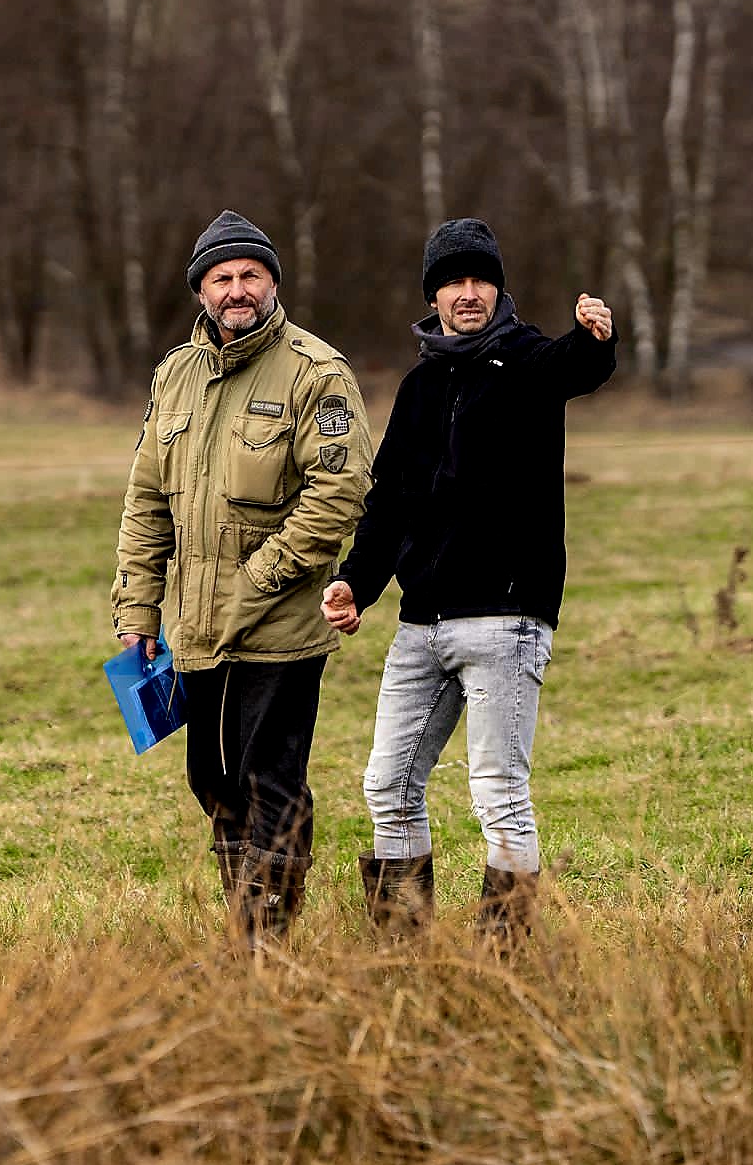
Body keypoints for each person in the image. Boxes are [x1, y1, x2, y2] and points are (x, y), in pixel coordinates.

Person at [321, 217, 614, 943]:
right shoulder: (421, 387)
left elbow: (577, 366)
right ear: (434, 296)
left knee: (499, 795)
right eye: (453, 281)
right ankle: (400, 951)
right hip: (422, 620)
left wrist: (597, 338)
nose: (468, 292)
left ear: (499, 288)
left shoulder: (531, 361)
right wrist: (356, 583)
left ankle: (505, 962)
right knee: (387, 786)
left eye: (480, 278)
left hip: (507, 617)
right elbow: (389, 501)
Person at [112, 209, 374, 948]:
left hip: (278, 627)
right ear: (200, 291)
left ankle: (270, 947)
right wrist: (139, 610)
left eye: (250, 275)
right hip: (196, 631)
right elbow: (145, 501)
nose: (237, 290)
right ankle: (246, 934)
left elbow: (341, 492)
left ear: (272, 284)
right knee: (213, 782)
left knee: (270, 785)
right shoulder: (176, 374)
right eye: (221, 278)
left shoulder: (315, 373)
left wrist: (263, 574)